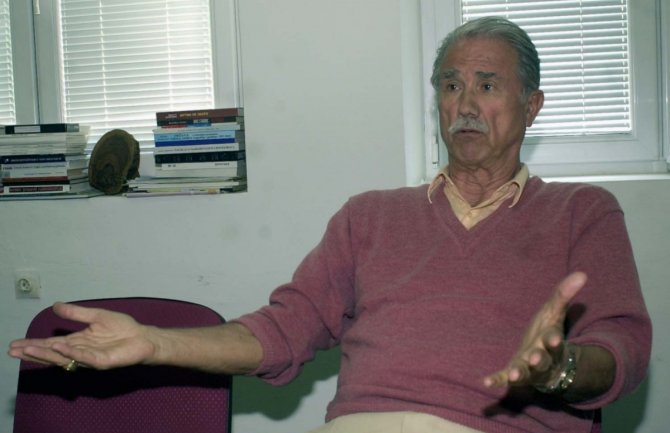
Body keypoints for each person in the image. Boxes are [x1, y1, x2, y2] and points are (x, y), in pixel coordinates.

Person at [8, 17, 651, 433]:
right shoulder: (370, 215)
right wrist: (155, 343)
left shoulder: (582, 211)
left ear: (532, 105)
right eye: (451, 86)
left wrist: (560, 368)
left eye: (487, 85)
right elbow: (283, 329)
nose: (465, 104)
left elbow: (621, 347)